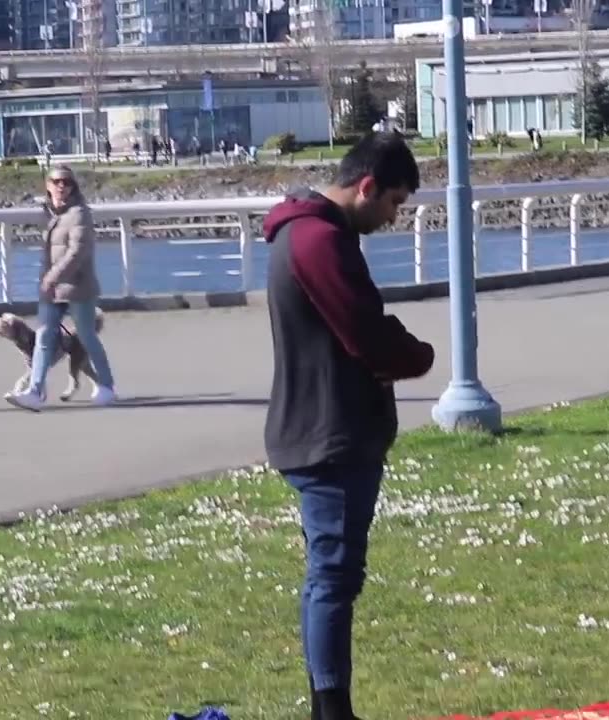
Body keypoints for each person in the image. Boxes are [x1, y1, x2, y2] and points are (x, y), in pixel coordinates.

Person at [260, 132, 435, 720]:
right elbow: (366, 333)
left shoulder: (307, 232)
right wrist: (417, 354)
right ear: (367, 187)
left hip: (325, 430)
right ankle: (332, 709)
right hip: (330, 434)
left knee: (331, 574)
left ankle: (328, 705)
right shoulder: (319, 240)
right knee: (333, 576)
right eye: (394, 202)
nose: (393, 216)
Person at [5, 164, 117, 411]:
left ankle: (107, 386)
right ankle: (35, 391)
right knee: (44, 336)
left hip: (78, 286)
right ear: (48, 185)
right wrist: (48, 280)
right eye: (56, 182)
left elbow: (77, 251)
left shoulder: (80, 213)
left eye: (66, 182)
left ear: (73, 187)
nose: (61, 186)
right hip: (52, 288)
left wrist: (53, 277)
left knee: (86, 336)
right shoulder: (47, 213)